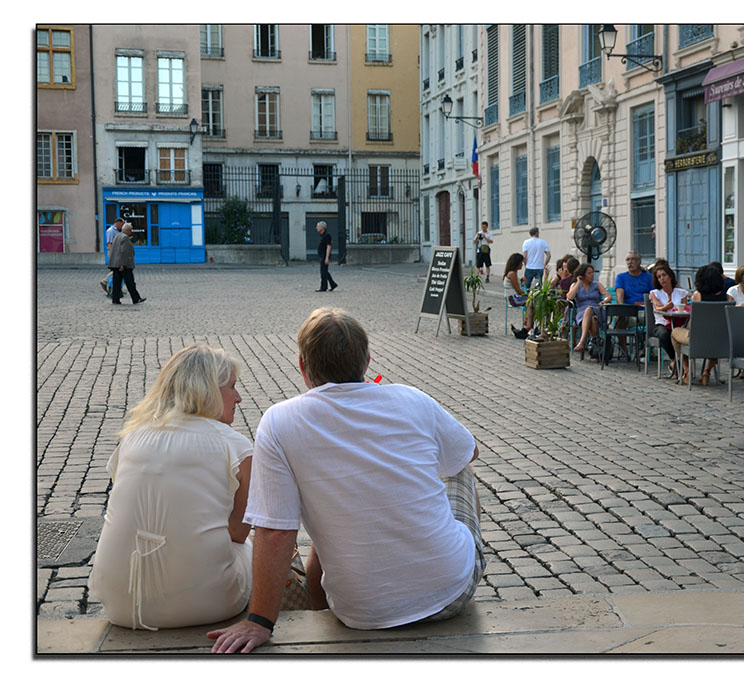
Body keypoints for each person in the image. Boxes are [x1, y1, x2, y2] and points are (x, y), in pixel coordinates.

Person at [208, 308, 483, 653]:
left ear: (303, 368)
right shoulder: (413, 399)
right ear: (366, 361)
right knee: (460, 471)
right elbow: (468, 452)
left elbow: (276, 530)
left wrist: (260, 620)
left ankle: (319, 606)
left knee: (337, 503)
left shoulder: (279, 422)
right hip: (450, 591)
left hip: (359, 611)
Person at [90, 344, 252, 630]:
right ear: (209, 391)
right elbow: (239, 532)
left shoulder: (132, 437)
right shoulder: (235, 445)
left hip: (120, 603)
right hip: (210, 604)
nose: (238, 398)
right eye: (232, 387)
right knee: (260, 542)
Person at [671, 264, 730, 385]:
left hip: (697, 338)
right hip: (720, 341)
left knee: (674, 333)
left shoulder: (698, 295)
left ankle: (686, 370)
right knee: (714, 337)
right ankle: (706, 372)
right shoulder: (729, 297)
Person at [649, 263, 687, 379]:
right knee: (665, 334)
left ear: (670, 276)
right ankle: (674, 360)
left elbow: (684, 309)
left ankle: (680, 364)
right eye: (659, 277)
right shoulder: (655, 293)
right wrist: (666, 307)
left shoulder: (681, 293)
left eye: (664, 275)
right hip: (662, 323)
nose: (662, 279)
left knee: (683, 334)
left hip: (678, 323)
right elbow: (657, 308)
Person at [567, 262, 611, 357]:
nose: (592, 275)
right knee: (592, 319)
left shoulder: (596, 284)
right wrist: (578, 283)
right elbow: (570, 297)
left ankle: (582, 342)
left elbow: (608, 296)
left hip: (596, 309)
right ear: (583, 275)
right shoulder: (575, 285)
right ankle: (595, 349)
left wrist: (603, 301)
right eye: (589, 273)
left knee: (589, 309)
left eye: (593, 272)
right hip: (581, 313)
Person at [108, 222, 145, 305]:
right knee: (130, 283)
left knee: (116, 283)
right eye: (130, 230)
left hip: (116, 264)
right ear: (127, 230)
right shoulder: (125, 238)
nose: (131, 232)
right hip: (124, 265)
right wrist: (123, 264)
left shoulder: (117, 236)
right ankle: (136, 299)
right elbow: (124, 252)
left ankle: (115, 299)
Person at [502, 252, 534, 338]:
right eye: (521, 263)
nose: (522, 265)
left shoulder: (512, 273)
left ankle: (528, 325)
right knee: (532, 301)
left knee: (531, 302)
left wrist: (521, 280)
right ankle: (528, 326)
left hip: (514, 297)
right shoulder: (512, 273)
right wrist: (529, 295)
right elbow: (518, 290)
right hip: (514, 298)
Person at [521, 226, 551, 291]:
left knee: (526, 286)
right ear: (537, 233)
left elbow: (524, 256)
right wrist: (545, 264)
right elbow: (548, 255)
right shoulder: (543, 242)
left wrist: (525, 264)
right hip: (539, 267)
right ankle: (536, 300)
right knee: (538, 287)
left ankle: (525, 298)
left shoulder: (526, 242)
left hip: (529, 267)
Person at [101, 218, 123, 295]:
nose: (122, 226)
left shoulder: (117, 231)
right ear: (118, 223)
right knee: (117, 269)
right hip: (113, 253)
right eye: (122, 224)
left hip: (118, 252)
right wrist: (112, 253)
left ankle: (117, 288)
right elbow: (109, 243)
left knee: (119, 270)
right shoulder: (110, 231)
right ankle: (105, 281)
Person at [315, 222, 338, 292]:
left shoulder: (327, 235)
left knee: (323, 272)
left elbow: (329, 246)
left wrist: (327, 257)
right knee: (325, 271)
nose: (317, 228)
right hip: (322, 255)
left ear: (322, 228)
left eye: (318, 226)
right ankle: (333, 284)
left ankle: (323, 287)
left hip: (324, 256)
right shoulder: (322, 235)